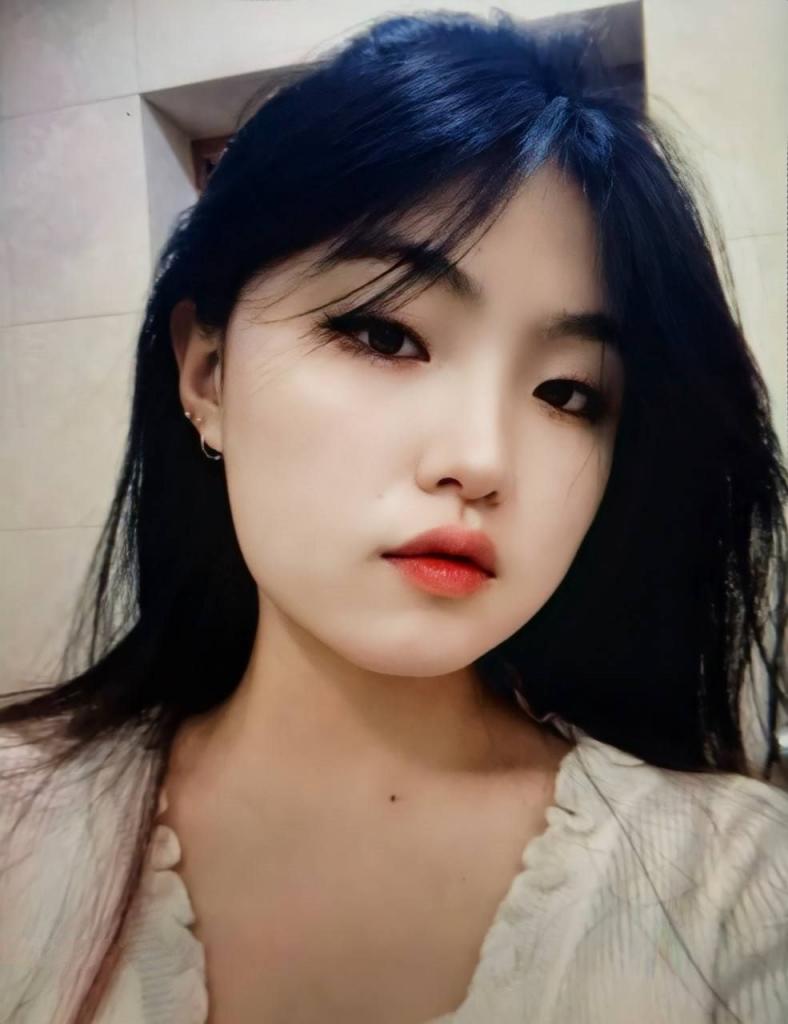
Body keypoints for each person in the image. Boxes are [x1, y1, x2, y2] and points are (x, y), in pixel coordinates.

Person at [1, 9, 786, 1024]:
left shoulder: (730, 895)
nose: (479, 460)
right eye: (383, 334)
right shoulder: (21, 829)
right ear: (207, 373)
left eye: (567, 393)